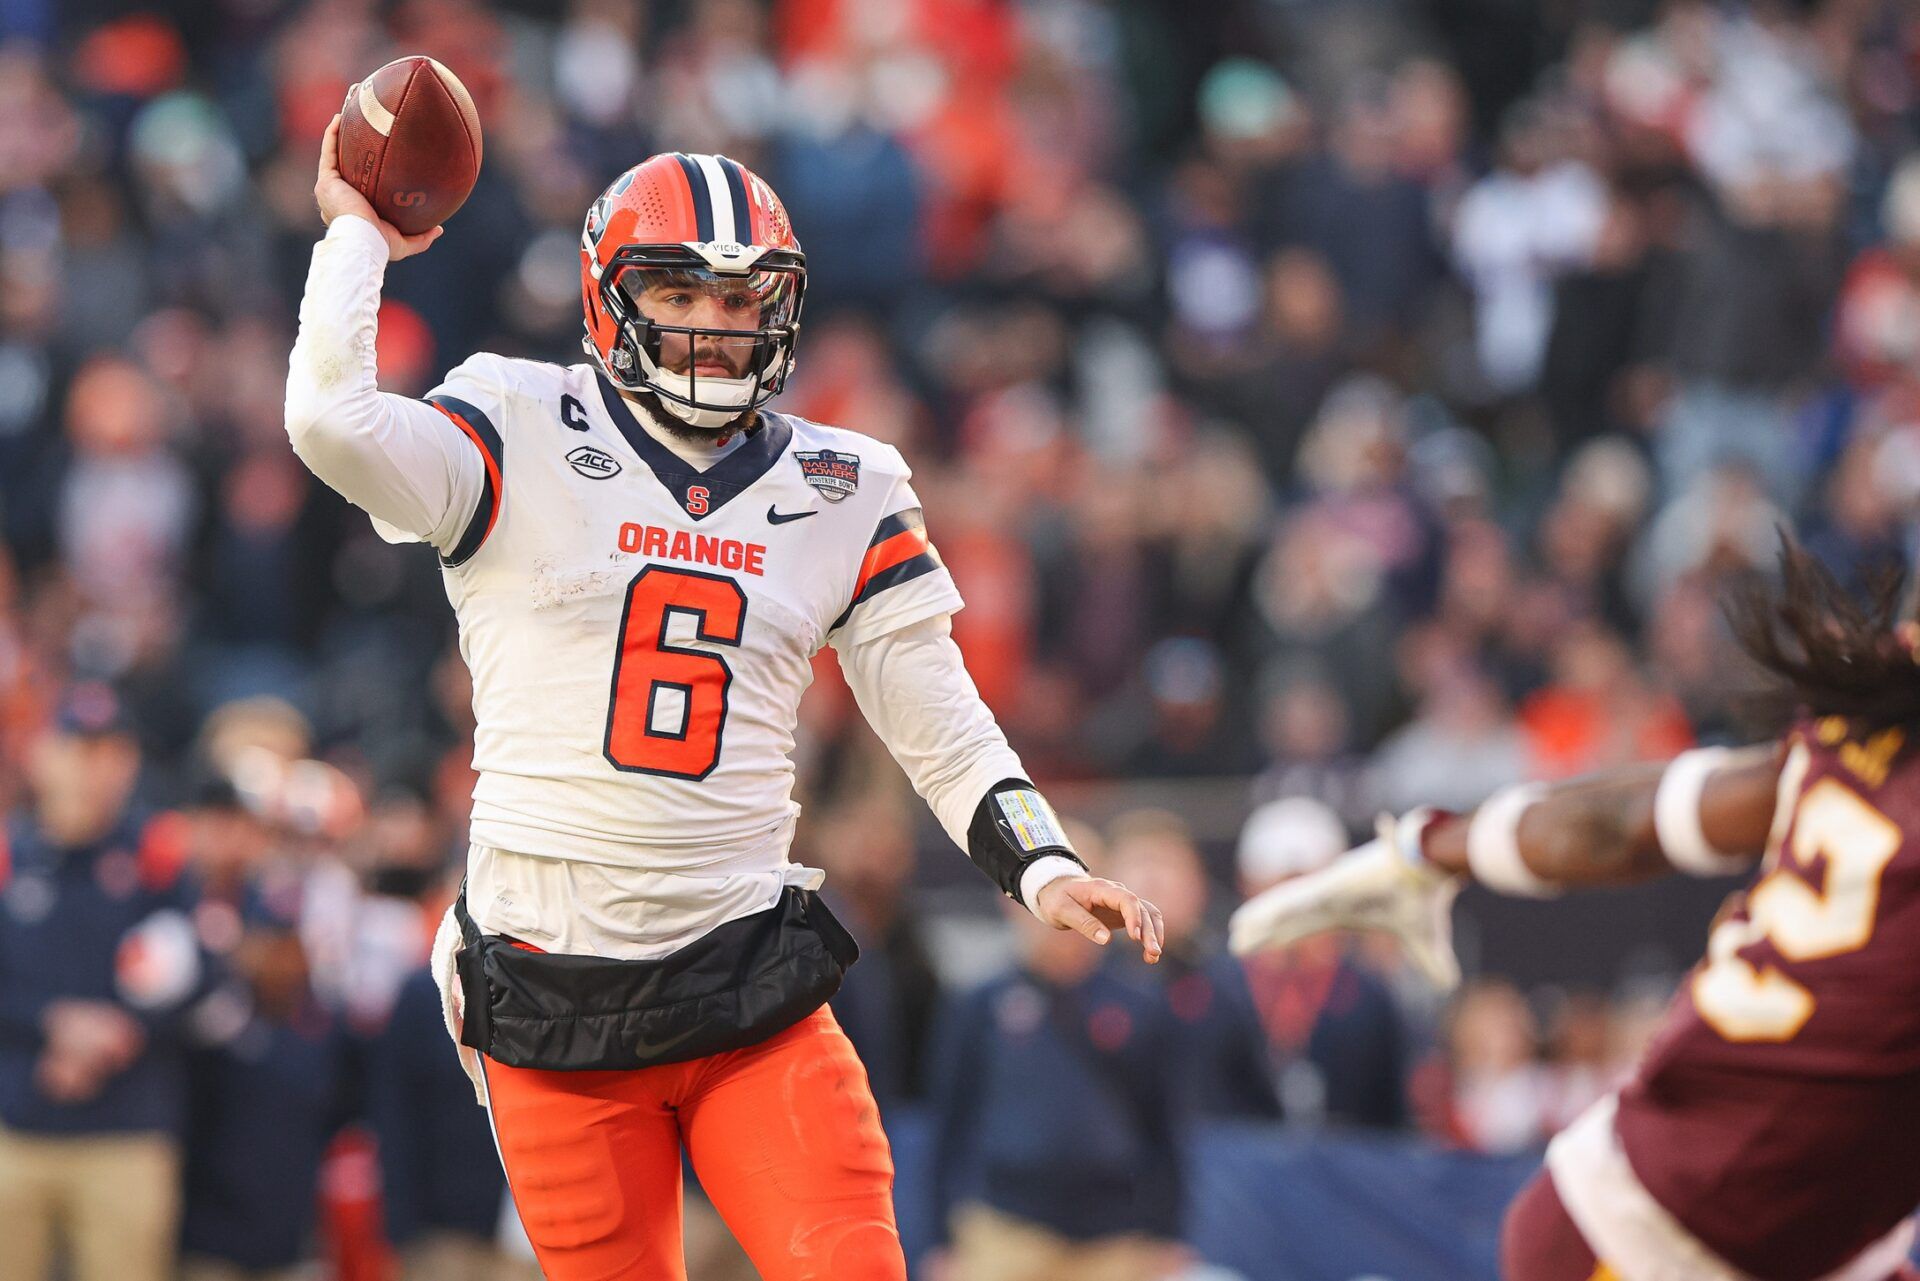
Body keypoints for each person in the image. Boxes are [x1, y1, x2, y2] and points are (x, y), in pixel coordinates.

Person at [284, 115, 1164, 1281]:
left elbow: (935, 712)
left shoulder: (844, 484)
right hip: (553, 990)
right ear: (610, 298)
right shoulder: (515, 419)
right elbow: (328, 422)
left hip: (746, 980)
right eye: (681, 292)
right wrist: (357, 240)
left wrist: (1044, 865)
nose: (713, 324)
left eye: (744, 300)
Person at [1230, 541, 1920, 1281]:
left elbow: (1627, 822)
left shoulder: (1853, 751)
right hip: (1662, 1238)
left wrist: (1436, 850)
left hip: (1766, 1221)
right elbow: (1634, 822)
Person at [0, 684, 213, 1281]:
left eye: (112, 752)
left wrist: (119, 1032)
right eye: (79, 748)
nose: (95, 770)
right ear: (41, 755)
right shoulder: (9, 855)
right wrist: (52, 1026)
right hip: (17, 1125)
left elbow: (204, 975)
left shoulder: (158, 855)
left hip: (128, 1130)